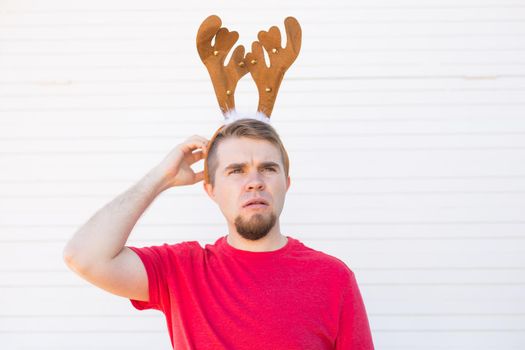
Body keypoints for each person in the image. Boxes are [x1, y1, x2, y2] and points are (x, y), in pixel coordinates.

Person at [63, 118, 375, 349]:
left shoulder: (333, 277)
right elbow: (84, 256)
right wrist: (162, 176)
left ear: (286, 183)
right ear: (210, 190)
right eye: (236, 170)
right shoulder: (182, 270)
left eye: (268, 168)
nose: (254, 181)